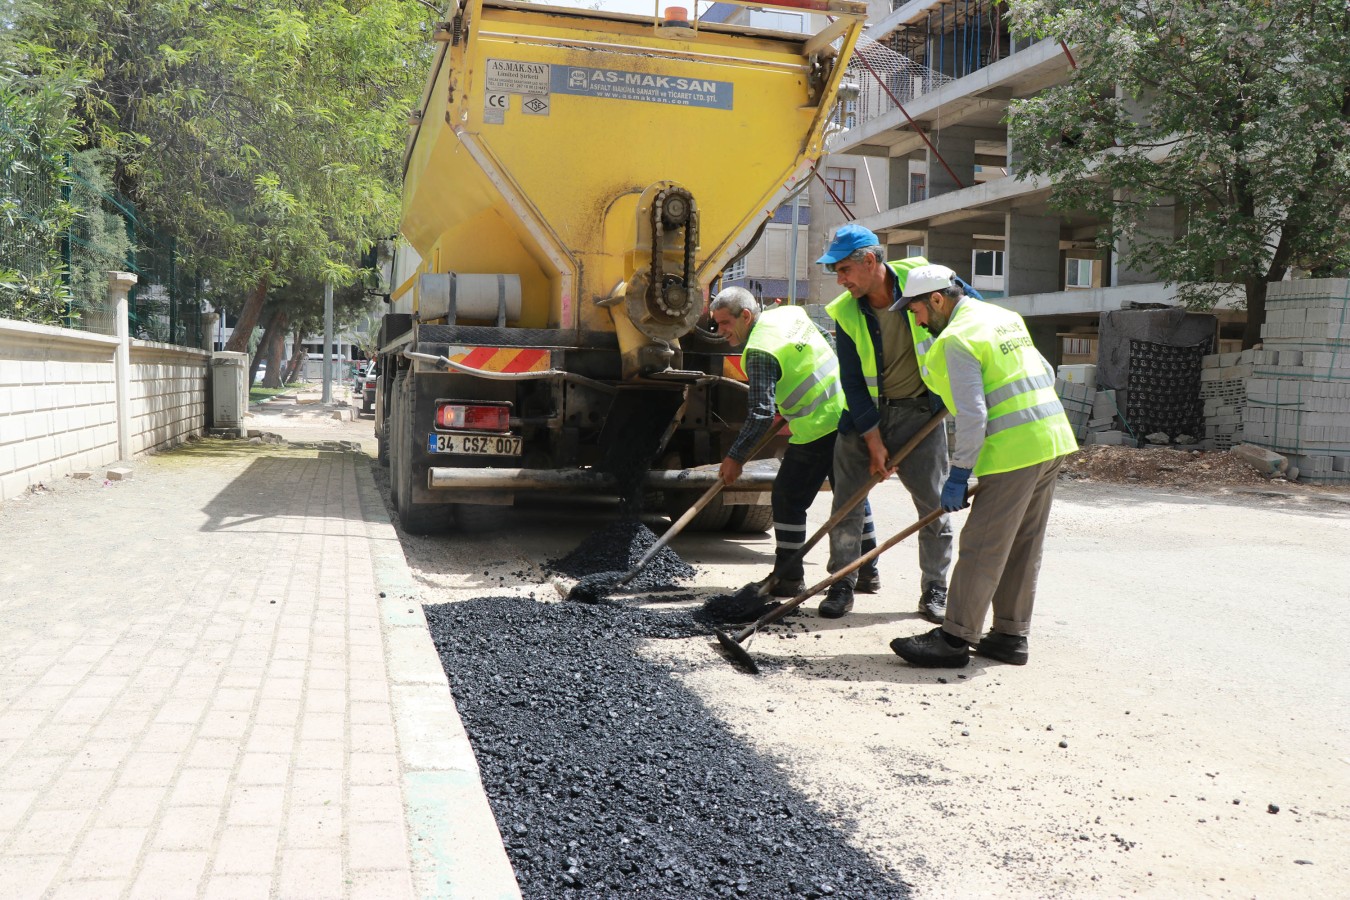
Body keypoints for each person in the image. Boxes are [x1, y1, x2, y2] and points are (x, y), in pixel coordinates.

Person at [887, 264, 1077, 667]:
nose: (917, 322)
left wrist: (958, 473)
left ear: (937, 300)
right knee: (1024, 545)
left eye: (917, 311)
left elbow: (973, 416)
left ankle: (954, 639)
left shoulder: (957, 338)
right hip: (1052, 438)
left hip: (1015, 451)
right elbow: (1046, 372)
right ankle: (1010, 636)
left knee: (982, 545)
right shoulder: (1003, 317)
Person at [817, 225, 954, 620]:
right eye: (836, 273)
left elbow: (971, 313)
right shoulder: (845, 312)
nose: (840, 281)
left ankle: (935, 591)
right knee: (846, 504)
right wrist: (873, 440)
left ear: (871, 261)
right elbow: (854, 383)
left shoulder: (926, 280)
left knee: (934, 507)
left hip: (921, 416)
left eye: (844, 270)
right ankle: (841, 583)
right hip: (864, 419)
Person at [711, 288, 879, 598]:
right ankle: (868, 571)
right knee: (851, 495)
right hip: (849, 413)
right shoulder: (790, 313)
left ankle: (788, 577)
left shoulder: (760, 350)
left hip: (820, 427)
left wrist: (735, 458)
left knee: (788, 497)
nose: (720, 332)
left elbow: (761, 415)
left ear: (745, 316)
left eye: (724, 323)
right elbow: (828, 347)